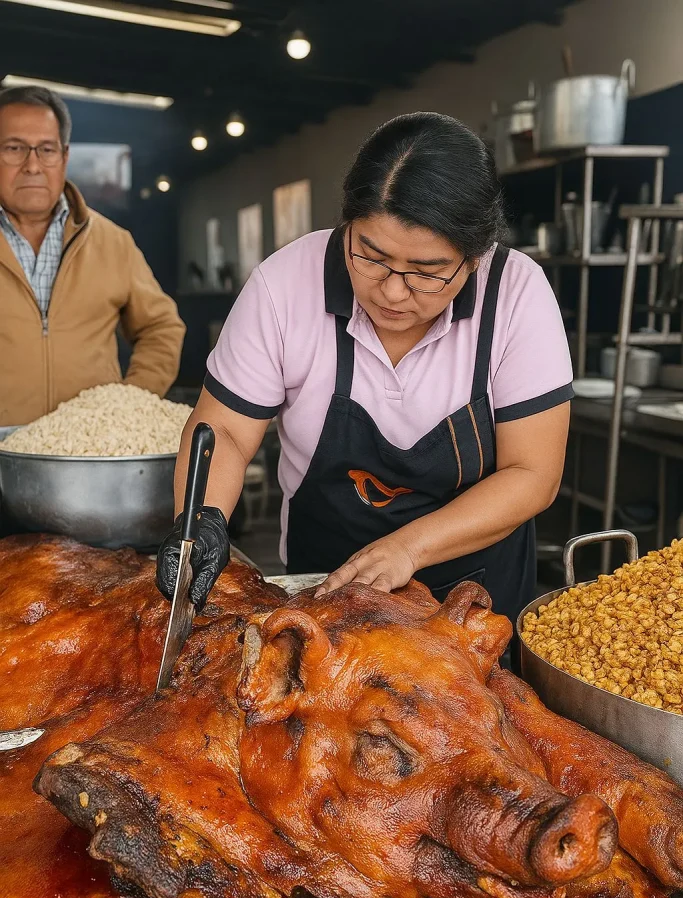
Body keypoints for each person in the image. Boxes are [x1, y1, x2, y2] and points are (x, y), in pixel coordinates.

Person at [157, 112, 573, 624]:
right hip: (322, 591)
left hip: (477, 601)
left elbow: (533, 473)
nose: (394, 291)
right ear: (347, 224)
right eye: (371, 256)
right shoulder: (285, 283)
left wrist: (408, 549)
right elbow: (224, 428)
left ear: (475, 257)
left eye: (428, 272)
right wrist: (202, 520)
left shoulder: (515, 294)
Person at [0, 86, 185, 427]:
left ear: (64, 157)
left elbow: (162, 327)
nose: (33, 165)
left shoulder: (112, 242)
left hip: (86, 458)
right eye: (14, 148)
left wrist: (129, 402)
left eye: (47, 149)